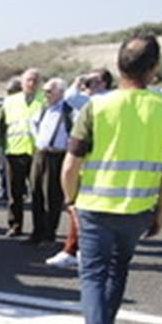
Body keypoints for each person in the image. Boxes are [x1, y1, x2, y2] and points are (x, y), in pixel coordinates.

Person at [61, 35, 162, 324]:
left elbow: (71, 165)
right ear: (155, 69)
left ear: (118, 66)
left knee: (93, 275)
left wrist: (70, 201)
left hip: (96, 206)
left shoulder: (97, 107)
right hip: (139, 206)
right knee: (118, 271)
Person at [47, 68, 113, 269]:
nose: (88, 83)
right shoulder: (92, 100)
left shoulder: (101, 100)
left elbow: (70, 96)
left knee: (84, 209)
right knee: (79, 210)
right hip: (88, 161)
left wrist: (79, 81)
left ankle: (82, 250)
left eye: (94, 80)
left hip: (94, 162)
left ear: (103, 83)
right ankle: (74, 248)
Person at [0, 68, 44, 237]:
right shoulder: (10, 101)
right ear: (22, 83)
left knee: (38, 193)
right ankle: (15, 225)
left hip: (37, 153)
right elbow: (0, 127)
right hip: (14, 152)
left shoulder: (45, 100)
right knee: (14, 193)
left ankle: (39, 229)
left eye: (35, 80)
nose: (32, 83)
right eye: (28, 80)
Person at [28, 77, 73, 245]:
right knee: (36, 193)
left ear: (60, 93)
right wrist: (39, 140)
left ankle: (49, 234)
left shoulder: (68, 112)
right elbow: (32, 123)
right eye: (44, 91)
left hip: (56, 156)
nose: (45, 94)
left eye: (49, 91)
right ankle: (36, 232)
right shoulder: (43, 109)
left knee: (52, 197)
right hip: (40, 154)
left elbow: (75, 133)